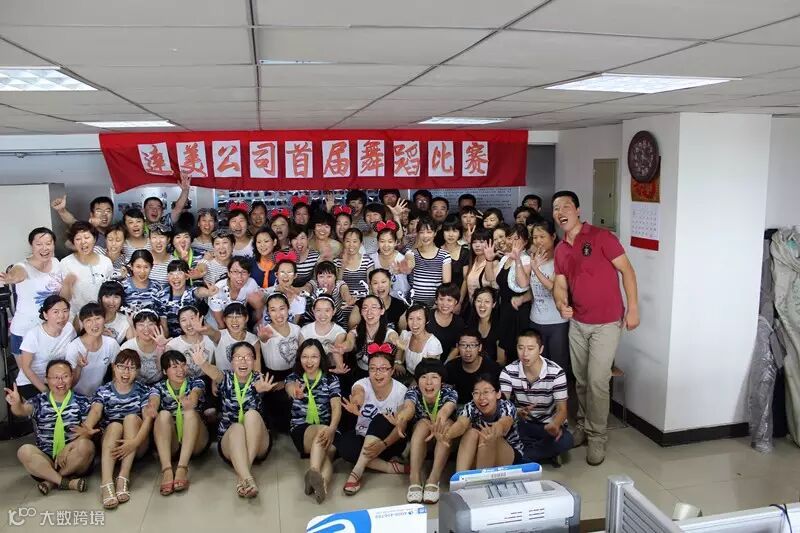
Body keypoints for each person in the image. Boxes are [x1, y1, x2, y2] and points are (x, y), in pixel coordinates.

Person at [552, 190, 639, 465]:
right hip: (578, 322)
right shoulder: (560, 249)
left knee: (598, 381)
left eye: (566, 206)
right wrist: (560, 303)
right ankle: (583, 425)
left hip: (607, 323)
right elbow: (560, 283)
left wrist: (633, 308)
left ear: (578, 210)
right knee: (581, 380)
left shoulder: (602, 237)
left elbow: (627, 271)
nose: (561, 211)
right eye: (556, 208)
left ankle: (597, 436)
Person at [192, 341, 278, 498]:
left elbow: (262, 386)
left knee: (252, 415)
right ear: (231, 361)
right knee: (237, 427)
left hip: (258, 443)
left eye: (248, 357)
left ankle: (243, 475)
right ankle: (247, 478)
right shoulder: (226, 377)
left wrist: (261, 390)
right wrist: (202, 363)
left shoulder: (259, 379)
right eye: (238, 357)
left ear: (254, 361)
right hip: (231, 444)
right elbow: (214, 373)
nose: (243, 361)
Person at [5, 359, 94, 495]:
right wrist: (16, 404)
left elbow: (87, 433)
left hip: (71, 458)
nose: (60, 381)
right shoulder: (39, 400)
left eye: (65, 376)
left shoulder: (83, 402)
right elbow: (21, 411)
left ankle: (51, 481)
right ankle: (66, 482)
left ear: (72, 377)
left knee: (87, 446)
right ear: (46, 379)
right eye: (55, 377)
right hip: (45, 459)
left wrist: (69, 448)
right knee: (24, 451)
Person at [78, 350, 153, 508]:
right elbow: (96, 411)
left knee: (131, 418)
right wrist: (88, 427)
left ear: (137, 371)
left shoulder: (143, 390)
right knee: (114, 426)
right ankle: (106, 483)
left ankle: (123, 477)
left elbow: (148, 419)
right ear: (113, 367)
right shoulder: (103, 391)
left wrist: (134, 442)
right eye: (122, 367)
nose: (126, 372)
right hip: (111, 446)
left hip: (136, 444)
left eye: (131, 368)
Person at [339, 345, 409, 495]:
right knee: (344, 446)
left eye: (383, 368)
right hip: (364, 438)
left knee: (381, 418)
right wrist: (356, 404)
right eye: (373, 369)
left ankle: (356, 472)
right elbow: (358, 394)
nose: (377, 373)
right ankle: (389, 467)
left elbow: (401, 427)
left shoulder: (401, 391)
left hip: (390, 443)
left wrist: (383, 445)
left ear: (392, 370)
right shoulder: (361, 384)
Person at [500, 330, 573, 465]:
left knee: (566, 440)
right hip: (523, 424)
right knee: (501, 431)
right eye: (520, 348)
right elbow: (503, 406)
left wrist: (555, 425)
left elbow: (562, 409)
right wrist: (517, 411)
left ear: (541, 349)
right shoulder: (508, 372)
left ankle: (522, 455)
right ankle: (542, 453)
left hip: (547, 424)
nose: (525, 354)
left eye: (530, 348)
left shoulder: (556, 372)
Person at [285, 339, 342, 503]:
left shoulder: (331, 379)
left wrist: (332, 429)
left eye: (314, 357)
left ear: (321, 358)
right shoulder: (294, 378)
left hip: (329, 429)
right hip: (302, 430)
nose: (309, 361)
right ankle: (314, 470)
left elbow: (336, 407)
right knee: (322, 436)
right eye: (305, 357)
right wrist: (295, 392)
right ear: (299, 358)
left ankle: (320, 484)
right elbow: (290, 388)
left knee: (327, 453)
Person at [393, 359, 457, 504]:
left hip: (445, 439)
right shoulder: (413, 392)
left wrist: (437, 425)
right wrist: (402, 417)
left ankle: (433, 479)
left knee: (445, 424)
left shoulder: (449, 391)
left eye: (434, 377)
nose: (429, 382)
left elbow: (446, 410)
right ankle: (414, 478)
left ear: (441, 381)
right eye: (423, 377)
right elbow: (409, 408)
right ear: (417, 381)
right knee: (422, 424)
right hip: (421, 439)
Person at [2, 227, 72, 358]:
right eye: (39, 244)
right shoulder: (22, 266)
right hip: (25, 331)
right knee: (27, 371)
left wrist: (68, 284)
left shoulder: (56, 263)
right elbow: (18, 274)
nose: (44, 248)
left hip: (50, 330)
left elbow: (63, 298)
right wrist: (10, 278)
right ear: (31, 246)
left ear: (54, 244)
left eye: (48, 243)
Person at [147, 350, 209, 496]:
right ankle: (167, 470)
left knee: (189, 412)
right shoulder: (158, 387)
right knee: (163, 414)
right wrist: (152, 408)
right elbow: (154, 400)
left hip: (196, 439)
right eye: (174, 367)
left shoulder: (195, 382)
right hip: (172, 442)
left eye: (183, 365)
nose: (181, 370)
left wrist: (191, 400)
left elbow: (196, 393)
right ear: (164, 371)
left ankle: (182, 468)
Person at [515, 219, 570, 372]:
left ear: (553, 236)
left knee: (557, 365)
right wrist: (522, 298)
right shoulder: (534, 258)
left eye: (542, 237)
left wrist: (536, 270)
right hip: (535, 320)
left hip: (557, 322)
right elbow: (529, 287)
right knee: (537, 365)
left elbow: (554, 289)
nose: (538, 241)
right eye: (535, 237)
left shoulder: (560, 260)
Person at [441, 373, 524, 471]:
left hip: (508, 455)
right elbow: (461, 424)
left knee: (486, 435)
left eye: (486, 392)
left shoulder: (506, 406)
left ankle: (481, 479)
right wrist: (446, 435)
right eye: (476, 393)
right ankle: (460, 476)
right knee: (471, 433)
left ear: (498, 394)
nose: (481, 397)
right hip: (479, 453)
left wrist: (494, 430)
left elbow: (504, 423)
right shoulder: (471, 407)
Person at [485, 223, 532, 362]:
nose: (512, 241)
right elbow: (490, 278)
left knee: (518, 350)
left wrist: (517, 259)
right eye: (510, 238)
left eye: (517, 238)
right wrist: (488, 260)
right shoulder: (505, 258)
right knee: (506, 348)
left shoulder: (527, 259)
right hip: (505, 308)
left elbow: (523, 284)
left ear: (525, 242)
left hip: (519, 311)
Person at [256, 293, 303, 432]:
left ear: (288, 309)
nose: (278, 314)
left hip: (294, 374)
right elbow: (263, 340)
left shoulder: (297, 330)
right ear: (268, 312)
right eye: (273, 310)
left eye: (282, 308)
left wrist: (288, 381)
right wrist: (262, 338)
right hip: (273, 378)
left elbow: (302, 357)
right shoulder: (265, 331)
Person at [15, 295, 77, 399]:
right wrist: (46, 392)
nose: (61, 316)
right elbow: (26, 368)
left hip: (56, 380)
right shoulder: (33, 335)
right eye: (56, 312)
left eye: (65, 311)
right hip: (31, 382)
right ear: (45, 315)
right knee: (49, 406)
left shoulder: (69, 329)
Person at [67, 303, 120, 397]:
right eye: (88, 320)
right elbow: (69, 384)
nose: (94, 324)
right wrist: (79, 367)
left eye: (98, 318)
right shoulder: (74, 347)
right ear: (82, 324)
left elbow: (116, 373)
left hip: (100, 396)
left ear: (104, 320)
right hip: (76, 397)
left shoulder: (111, 344)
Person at [60, 221, 114, 312]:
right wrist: (67, 284)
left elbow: (110, 292)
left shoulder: (106, 262)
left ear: (94, 239)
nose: (83, 242)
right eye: (78, 239)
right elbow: (63, 300)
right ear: (73, 242)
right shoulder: (65, 263)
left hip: (100, 315)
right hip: (76, 315)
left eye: (87, 237)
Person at [162, 260, 218, 338]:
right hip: (173, 339)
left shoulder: (192, 291)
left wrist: (209, 292)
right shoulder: (162, 295)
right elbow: (163, 324)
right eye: (171, 274)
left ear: (187, 276)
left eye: (179, 273)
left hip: (195, 336)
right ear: (167, 277)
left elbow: (199, 291)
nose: (175, 277)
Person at [445, 330, 501, 405]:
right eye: (463, 345)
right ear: (457, 347)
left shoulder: (493, 368)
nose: (468, 349)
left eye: (473, 345)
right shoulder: (450, 367)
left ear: (480, 347)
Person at [166, 306, 220, 379]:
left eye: (192, 318)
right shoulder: (172, 345)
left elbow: (216, 367)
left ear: (200, 318)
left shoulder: (211, 340)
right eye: (183, 320)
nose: (188, 323)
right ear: (179, 323)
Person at [410, 216, 451, 307]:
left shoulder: (444, 255)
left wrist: (438, 303)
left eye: (429, 232)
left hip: (435, 304)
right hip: (415, 304)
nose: (425, 236)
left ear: (435, 233)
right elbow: (408, 268)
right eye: (421, 232)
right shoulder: (413, 253)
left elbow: (446, 283)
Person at [207, 257, 259, 329]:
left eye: (244, 272)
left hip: (237, 319)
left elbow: (257, 312)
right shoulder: (217, 289)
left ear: (249, 274)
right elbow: (221, 324)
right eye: (235, 272)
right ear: (229, 273)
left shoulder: (251, 284)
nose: (240, 276)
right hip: (216, 322)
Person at [120, 310, 167, 385]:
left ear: (158, 326)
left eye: (151, 324)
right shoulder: (127, 347)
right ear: (135, 327)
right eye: (141, 324)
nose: (146, 328)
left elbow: (163, 370)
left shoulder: (166, 345)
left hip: (160, 384)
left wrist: (161, 347)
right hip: (134, 385)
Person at [121, 249, 167, 328]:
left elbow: (162, 318)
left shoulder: (157, 287)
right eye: (138, 267)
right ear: (131, 266)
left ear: (151, 267)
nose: (142, 271)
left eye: (146, 267)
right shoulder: (123, 286)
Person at [335, 228, 374, 318]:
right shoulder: (337, 262)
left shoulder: (367, 261)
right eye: (348, 241)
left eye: (355, 241)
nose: (351, 245)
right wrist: (342, 268)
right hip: (343, 307)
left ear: (360, 243)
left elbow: (371, 286)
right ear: (343, 242)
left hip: (363, 307)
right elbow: (336, 285)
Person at [368, 222, 412, 300]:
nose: (386, 245)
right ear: (377, 242)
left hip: (400, 302)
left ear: (396, 242)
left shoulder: (402, 260)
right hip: (378, 302)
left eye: (390, 241)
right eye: (382, 241)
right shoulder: (371, 259)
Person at [396, 304, 443, 377]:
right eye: (411, 318)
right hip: (406, 375)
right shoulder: (405, 335)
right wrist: (398, 363)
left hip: (424, 378)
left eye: (419, 319)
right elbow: (400, 351)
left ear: (427, 321)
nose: (414, 323)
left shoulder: (433, 343)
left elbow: (429, 372)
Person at [300, 295, 347, 367]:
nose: (322, 315)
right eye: (318, 310)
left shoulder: (340, 332)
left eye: (327, 310)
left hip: (330, 368)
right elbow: (302, 356)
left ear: (334, 311)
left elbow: (336, 358)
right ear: (313, 310)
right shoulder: (304, 331)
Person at [215, 303, 262, 373]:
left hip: (245, 378)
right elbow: (209, 331)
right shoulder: (219, 335)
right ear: (224, 319)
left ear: (246, 318)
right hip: (222, 378)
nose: (234, 321)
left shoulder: (253, 339)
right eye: (230, 317)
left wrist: (257, 378)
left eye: (238, 316)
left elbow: (257, 367)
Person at [303, 261, 352, 328]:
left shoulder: (339, 284)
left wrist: (348, 299)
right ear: (317, 278)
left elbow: (345, 293)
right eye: (321, 276)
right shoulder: (314, 284)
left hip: (336, 318)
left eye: (329, 276)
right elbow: (306, 288)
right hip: (312, 318)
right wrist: (301, 291)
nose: (325, 280)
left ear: (335, 277)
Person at [467, 287, 506, 365]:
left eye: (487, 301)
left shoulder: (500, 326)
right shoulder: (470, 323)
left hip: (493, 368)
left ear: (493, 304)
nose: (482, 305)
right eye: (479, 301)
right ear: (474, 302)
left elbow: (501, 361)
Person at [426, 283, 464, 361]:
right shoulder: (426, 316)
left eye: (449, 300)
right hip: (424, 361)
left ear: (456, 302)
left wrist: (446, 365)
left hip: (446, 363)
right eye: (441, 299)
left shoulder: (459, 323)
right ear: (436, 300)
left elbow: (455, 348)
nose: (445, 304)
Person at [439, 215, 469, 304]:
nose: (451, 234)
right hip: (439, 299)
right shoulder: (437, 250)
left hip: (458, 299)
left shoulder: (465, 252)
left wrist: (459, 302)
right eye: (447, 230)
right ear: (442, 232)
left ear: (460, 233)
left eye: (455, 230)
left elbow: (465, 280)